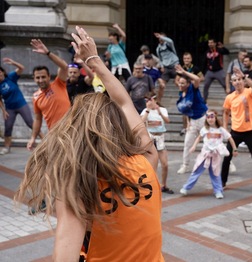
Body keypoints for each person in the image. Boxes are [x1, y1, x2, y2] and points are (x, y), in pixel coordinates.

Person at [15, 26, 163, 262]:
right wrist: (95, 62)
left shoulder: (77, 183)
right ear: (119, 126)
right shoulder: (146, 161)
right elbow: (125, 103)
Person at [220, 67, 252, 187]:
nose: (238, 82)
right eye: (235, 80)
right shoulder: (229, 97)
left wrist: (245, 77)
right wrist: (224, 127)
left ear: (243, 81)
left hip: (250, 131)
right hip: (235, 132)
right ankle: (222, 181)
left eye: (240, 79)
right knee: (227, 157)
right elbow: (225, 112)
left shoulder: (249, 92)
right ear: (232, 83)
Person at [180, 110, 238, 199]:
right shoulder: (205, 129)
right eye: (208, 117)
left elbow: (230, 138)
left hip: (215, 155)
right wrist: (194, 146)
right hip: (205, 154)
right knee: (196, 171)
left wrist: (234, 149)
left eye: (212, 117)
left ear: (215, 118)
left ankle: (218, 191)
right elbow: (199, 137)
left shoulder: (221, 130)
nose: (210, 119)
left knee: (215, 173)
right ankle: (186, 187)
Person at [27, 39, 70, 151]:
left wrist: (48, 53)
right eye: (37, 77)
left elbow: (65, 66)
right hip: (55, 134)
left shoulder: (59, 83)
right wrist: (33, 138)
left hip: (71, 129)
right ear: (34, 79)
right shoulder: (35, 97)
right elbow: (37, 119)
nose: (41, 80)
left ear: (49, 76)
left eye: (43, 77)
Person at [0, 58, 42, 154]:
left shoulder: (10, 77)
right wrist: (3, 110)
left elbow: (22, 68)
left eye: (0, 72)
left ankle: (45, 140)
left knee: (31, 123)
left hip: (21, 104)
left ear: (3, 72)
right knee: (8, 127)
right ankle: (7, 147)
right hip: (9, 108)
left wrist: (13, 62)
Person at [176, 64, 208, 174]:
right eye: (179, 83)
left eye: (183, 83)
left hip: (204, 119)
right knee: (187, 144)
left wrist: (184, 72)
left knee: (212, 142)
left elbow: (197, 78)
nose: (180, 84)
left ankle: (228, 163)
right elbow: (186, 110)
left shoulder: (193, 88)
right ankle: (185, 165)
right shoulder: (182, 94)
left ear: (188, 84)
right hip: (193, 121)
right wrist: (188, 122)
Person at [141, 93, 173, 194]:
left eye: (149, 100)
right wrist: (148, 110)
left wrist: (159, 112)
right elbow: (140, 122)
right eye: (146, 101)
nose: (148, 102)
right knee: (150, 164)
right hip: (150, 138)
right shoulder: (145, 110)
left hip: (160, 137)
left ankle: (163, 185)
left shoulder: (162, 110)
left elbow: (168, 121)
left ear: (154, 100)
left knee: (165, 164)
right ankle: (150, 184)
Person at [175, 52, 205, 136]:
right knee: (184, 110)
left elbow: (201, 77)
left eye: (188, 58)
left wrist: (191, 82)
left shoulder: (195, 68)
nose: (186, 60)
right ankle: (185, 128)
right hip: (184, 91)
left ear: (191, 59)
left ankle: (197, 128)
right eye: (185, 58)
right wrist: (180, 85)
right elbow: (176, 80)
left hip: (192, 91)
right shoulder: (181, 68)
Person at [155, 32, 179, 102]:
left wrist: (161, 36)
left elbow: (170, 41)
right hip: (166, 68)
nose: (160, 39)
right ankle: (158, 102)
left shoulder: (169, 45)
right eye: (159, 38)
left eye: (162, 37)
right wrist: (162, 66)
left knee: (179, 82)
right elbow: (160, 59)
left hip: (175, 66)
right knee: (161, 85)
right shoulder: (158, 49)